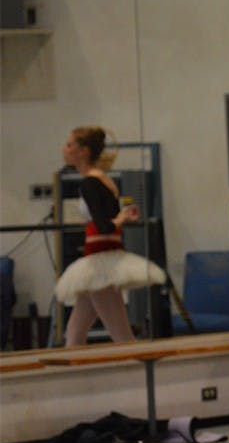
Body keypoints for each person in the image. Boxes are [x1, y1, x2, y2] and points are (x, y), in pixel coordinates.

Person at [55, 126, 166, 347]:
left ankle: (142, 376)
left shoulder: (89, 183)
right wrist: (122, 216)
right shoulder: (104, 180)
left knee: (121, 336)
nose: (64, 149)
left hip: (100, 262)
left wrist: (120, 219)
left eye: (69, 145)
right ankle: (76, 378)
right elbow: (111, 219)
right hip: (100, 259)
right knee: (74, 333)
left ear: (83, 151)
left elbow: (104, 226)